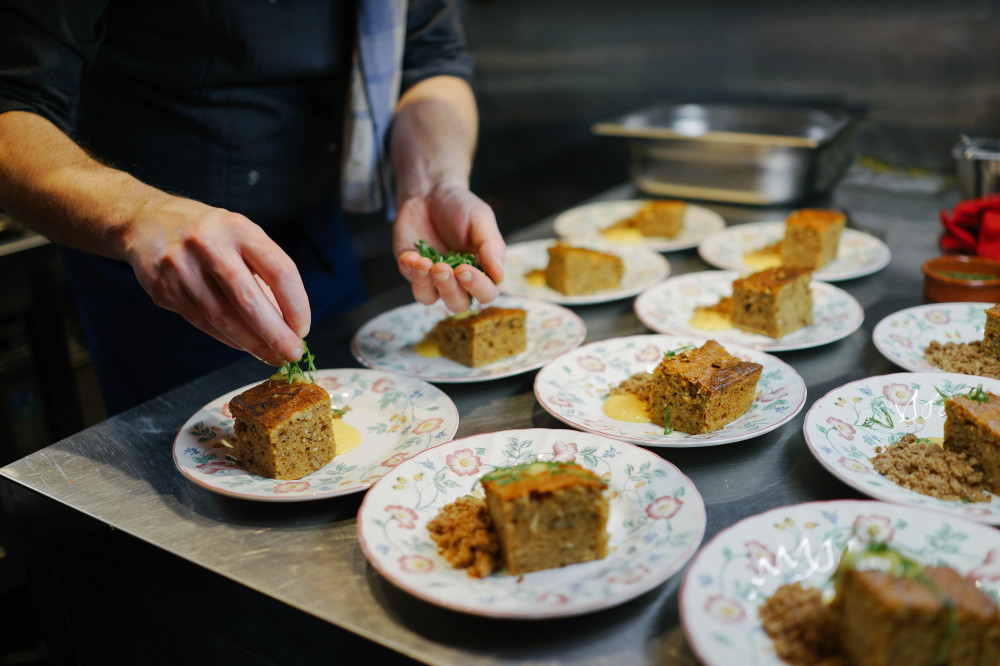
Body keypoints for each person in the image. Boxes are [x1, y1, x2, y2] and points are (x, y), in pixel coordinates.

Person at [0, 0, 505, 414]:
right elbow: (12, 106)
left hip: (318, 241)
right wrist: (138, 215)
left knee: (361, 429)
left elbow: (432, 59)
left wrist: (434, 181)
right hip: (162, 271)